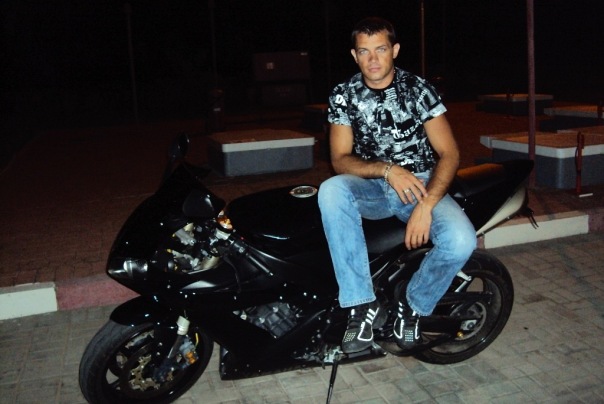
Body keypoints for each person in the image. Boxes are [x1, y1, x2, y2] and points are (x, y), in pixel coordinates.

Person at [317, 17, 476, 354]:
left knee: (461, 240)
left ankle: (413, 306)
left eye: (381, 49)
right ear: (354, 55)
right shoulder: (344, 95)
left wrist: (426, 205)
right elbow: (340, 160)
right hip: (372, 184)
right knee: (331, 190)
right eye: (364, 51)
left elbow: (449, 153)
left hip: (420, 185)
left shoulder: (418, 90)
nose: (373, 59)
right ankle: (361, 305)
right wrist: (388, 170)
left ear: (395, 50)